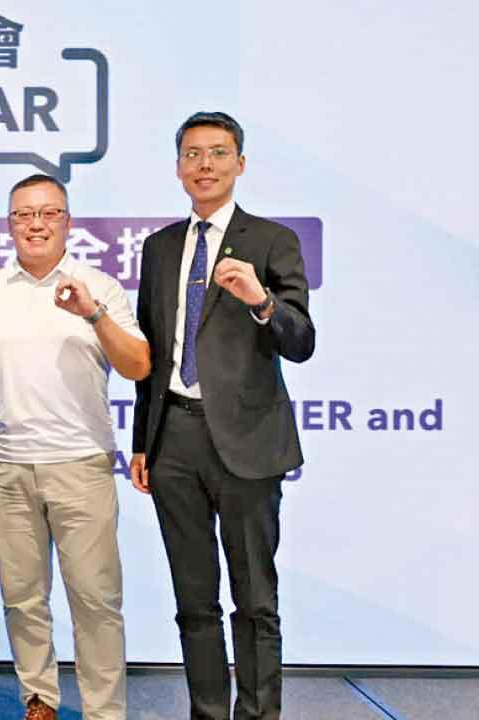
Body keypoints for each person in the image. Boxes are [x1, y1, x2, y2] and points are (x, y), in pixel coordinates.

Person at [130, 112, 315, 720]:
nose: (204, 165)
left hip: (247, 442)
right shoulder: (160, 248)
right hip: (174, 438)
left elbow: (302, 340)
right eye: (192, 154)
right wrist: (143, 441)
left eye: (217, 153)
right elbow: (152, 353)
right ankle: (208, 713)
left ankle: (258, 715)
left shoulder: (272, 241)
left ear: (240, 163)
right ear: (178, 166)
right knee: (194, 601)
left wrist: (262, 301)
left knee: (255, 600)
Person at [0, 174, 150, 720]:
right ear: (9, 224)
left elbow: (139, 365)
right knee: (22, 599)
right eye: (24, 214)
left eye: (49, 213)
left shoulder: (99, 286)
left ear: (68, 222)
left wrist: (93, 313)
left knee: (96, 600)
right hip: (6, 469)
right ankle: (39, 698)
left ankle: (103, 711)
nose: (36, 224)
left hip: (80, 464)